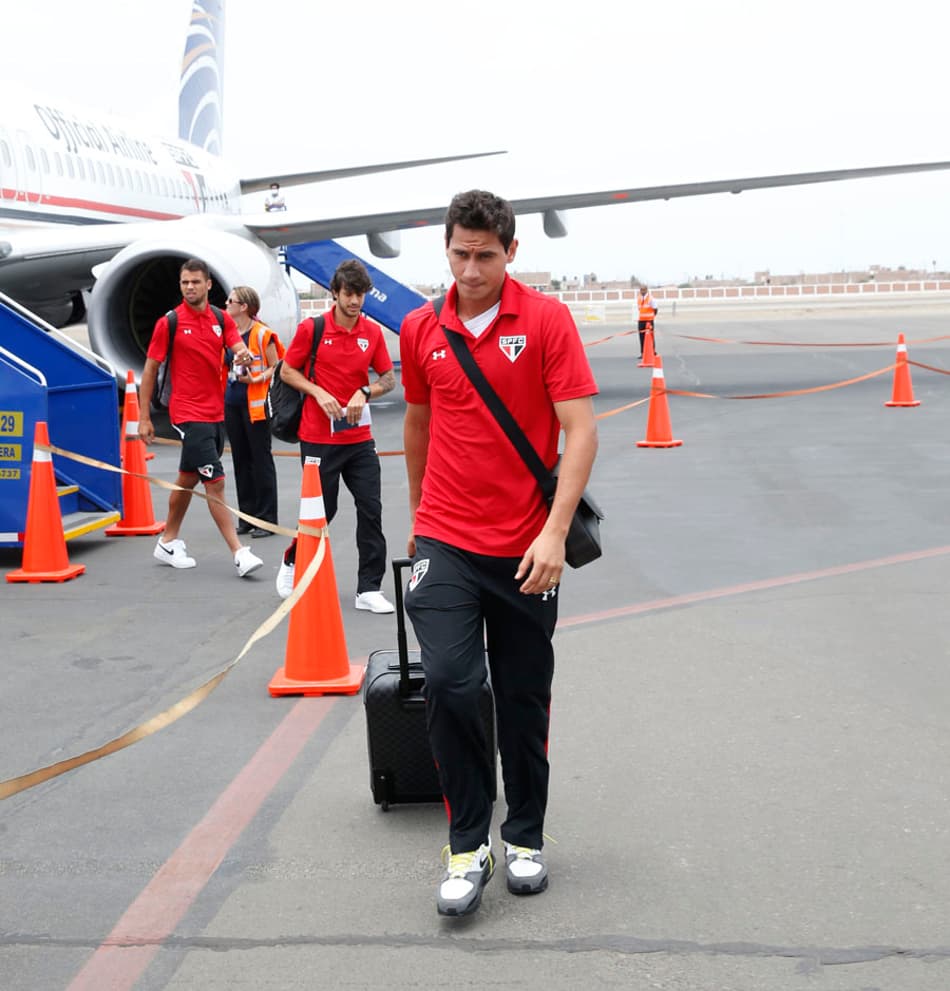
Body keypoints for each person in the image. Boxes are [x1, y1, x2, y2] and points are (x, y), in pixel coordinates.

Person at [399, 189, 598, 916]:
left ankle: (523, 834)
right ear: (445, 249)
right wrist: (419, 516)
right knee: (451, 683)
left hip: (526, 546)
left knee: (521, 696)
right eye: (460, 254)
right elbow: (418, 423)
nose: (472, 269)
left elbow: (581, 429)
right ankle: (466, 842)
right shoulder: (420, 328)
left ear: (512, 252)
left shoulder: (546, 321)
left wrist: (553, 530)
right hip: (447, 537)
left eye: (485, 255)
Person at [276, 258, 397, 613]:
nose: (355, 301)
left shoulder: (372, 333)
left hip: (359, 440)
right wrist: (317, 391)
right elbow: (286, 372)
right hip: (318, 438)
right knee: (321, 512)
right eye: (349, 294)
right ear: (335, 293)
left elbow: (388, 378)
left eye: (360, 294)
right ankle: (291, 561)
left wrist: (366, 391)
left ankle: (368, 588)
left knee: (371, 508)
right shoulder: (312, 329)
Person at [138, 258, 264, 579]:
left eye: (195, 282)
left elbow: (237, 345)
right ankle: (239, 551)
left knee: (188, 477)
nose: (190, 287)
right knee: (215, 481)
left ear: (208, 285)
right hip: (186, 412)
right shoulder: (169, 322)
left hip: (214, 411)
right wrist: (144, 417)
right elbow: (151, 369)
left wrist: (244, 354)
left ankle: (167, 541)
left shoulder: (222, 319)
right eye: (185, 283)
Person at [223, 285, 282, 538]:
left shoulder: (262, 334)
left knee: (261, 461)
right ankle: (247, 516)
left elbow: (277, 367)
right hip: (233, 402)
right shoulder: (230, 335)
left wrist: (257, 379)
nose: (226, 304)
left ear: (243, 307)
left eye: (230, 300)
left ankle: (267, 518)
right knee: (240, 461)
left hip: (255, 404)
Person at [636, 284, 658, 358]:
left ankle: (653, 351)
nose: (642, 291)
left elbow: (655, 309)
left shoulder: (651, 298)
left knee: (650, 337)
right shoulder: (639, 298)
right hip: (641, 321)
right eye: (641, 290)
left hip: (649, 321)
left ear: (646, 290)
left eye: (643, 290)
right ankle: (643, 353)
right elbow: (640, 309)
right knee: (641, 337)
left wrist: (652, 317)